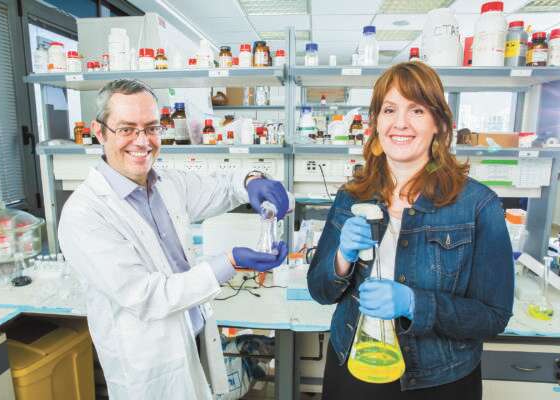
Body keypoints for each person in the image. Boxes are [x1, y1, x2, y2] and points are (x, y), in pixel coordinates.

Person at [58, 79, 289, 400]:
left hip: (196, 336)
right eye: (127, 129)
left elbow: (222, 186)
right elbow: (147, 295)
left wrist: (251, 180)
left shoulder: (166, 182)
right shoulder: (84, 213)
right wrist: (231, 261)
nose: (142, 141)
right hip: (151, 364)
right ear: (100, 132)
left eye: (152, 128)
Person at [307, 62, 514, 399]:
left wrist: (414, 304)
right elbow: (320, 291)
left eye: (416, 110)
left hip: (440, 380)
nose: (400, 122)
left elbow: (493, 316)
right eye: (390, 110)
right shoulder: (352, 196)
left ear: (439, 124)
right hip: (355, 368)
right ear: (376, 123)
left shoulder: (478, 205)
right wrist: (341, 259)